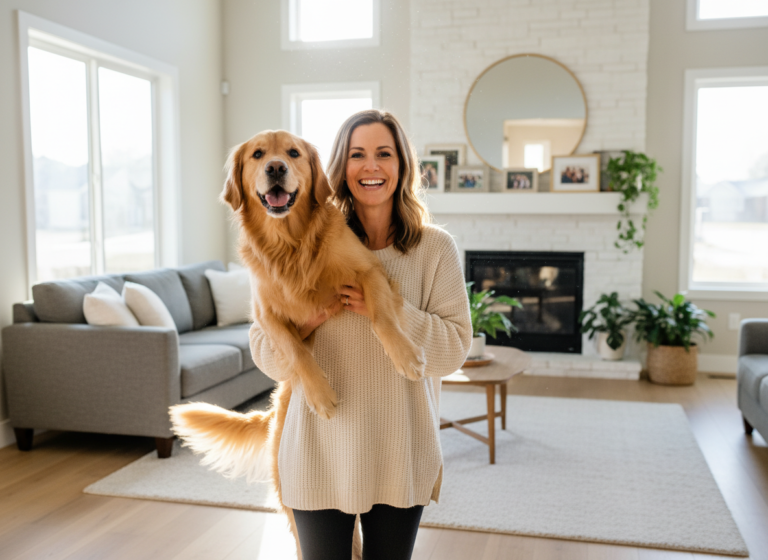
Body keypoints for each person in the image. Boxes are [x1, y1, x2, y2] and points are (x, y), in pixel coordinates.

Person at [249, 109, 472, 560]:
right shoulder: (296, 245)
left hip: (400, 452)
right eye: (357, 155)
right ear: (339, 168)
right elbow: (266, 354)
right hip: (316, 453)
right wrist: (308, 324)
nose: (371, 166)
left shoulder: (435, 249)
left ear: (402, 165)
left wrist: (390, 310)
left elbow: (453, 352)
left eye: (384, 154)